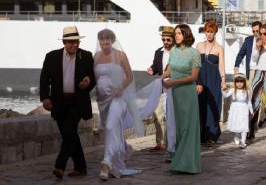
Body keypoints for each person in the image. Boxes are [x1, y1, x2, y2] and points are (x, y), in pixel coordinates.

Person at [40, 26, 96, 179]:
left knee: (69, 131)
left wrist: (88, 81)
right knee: (69, 135)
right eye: (71, 42)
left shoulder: (86, 56)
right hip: (59, 103)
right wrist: (45, 98)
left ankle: (60, 165)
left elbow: (92, 76)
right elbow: (44, 79)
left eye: (77, 42)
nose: (75, 45)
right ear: (64, 42)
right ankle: (81, 167)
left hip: (77, 102)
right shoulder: (51, 57)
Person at [94, 29, 143, 180]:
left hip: (118, 97)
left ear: (112, 41)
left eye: (107, 42)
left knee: (110, 126)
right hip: (103, 99)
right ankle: (126, 147)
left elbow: (130, 76)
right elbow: (94, 77)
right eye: (101, 42)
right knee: (110, 128)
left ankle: (106, 163)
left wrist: (121, 87)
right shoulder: (96, 56)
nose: (104, 45)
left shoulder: (120, 55)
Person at [162, 24, 201, 174]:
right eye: (175, 33)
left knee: (188, 128)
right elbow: (170, 70)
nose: (176, 36)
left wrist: (173, 82)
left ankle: (189, 164)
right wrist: (161, 77)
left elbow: (194, 77)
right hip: (175, 94)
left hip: (187, 94)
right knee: (178, 128)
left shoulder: (194, 53)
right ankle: (179, 161)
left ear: (186, 35)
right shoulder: (173, 51)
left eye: (179, 33)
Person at [196, 21, 225, 145]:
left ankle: (211, 136)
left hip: (213, 79)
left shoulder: (219, 48)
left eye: (211, 32)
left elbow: (222, 66)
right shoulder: (198, 46)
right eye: (207, 31)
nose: (209, 34)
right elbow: (194, 64)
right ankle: (201, 134)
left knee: (213, 106)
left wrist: (223, 81)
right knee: (200, 105)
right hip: (201, 79)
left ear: (215, 33)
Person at [147, 26, 174, 152]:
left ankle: (171, 141)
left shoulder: (178, 52)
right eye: (163, 40)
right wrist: (151, 70)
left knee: (171, 115)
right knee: (157, 114)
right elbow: (156, 67)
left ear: (173, 39)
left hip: (174, 86)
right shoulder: (158, 52)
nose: (165, 42)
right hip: (160, 87)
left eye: (168, 40)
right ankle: (160, 142)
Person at [222, 73, 254, 149]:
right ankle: (237, 136)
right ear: (235, 83)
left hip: (244, 109)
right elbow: (225, 96)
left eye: (241, 82)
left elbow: (248, 102)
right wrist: (224, 90)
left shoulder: (247, 91)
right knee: (236, 124)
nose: (239, 84)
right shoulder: (233, 90)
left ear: (244, 83)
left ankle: (243, 142)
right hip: (235, 110)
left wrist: (251, 110)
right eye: (237, 82)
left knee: (244, 125)